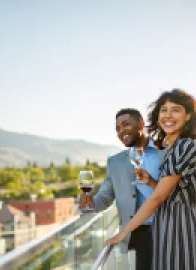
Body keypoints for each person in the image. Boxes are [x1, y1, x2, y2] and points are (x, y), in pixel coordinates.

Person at [106, 89, 196, 270]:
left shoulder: (184, 146)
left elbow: (157, 198)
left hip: (184, 233)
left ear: (187, 117)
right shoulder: (173, 147)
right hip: (169, 232)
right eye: (164, 110)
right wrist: (150, 182)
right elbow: (173, 194)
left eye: (176, 110)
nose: (168, 115)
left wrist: (124, 231)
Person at [79, 108, 165, 270]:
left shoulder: (166, 151)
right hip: (135, 233)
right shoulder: (115, 162)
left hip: (169, 228)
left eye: (126, 125)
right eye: (117, 129)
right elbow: (104, 197)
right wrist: (90, 202)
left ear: (141, 123)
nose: (121, 131)